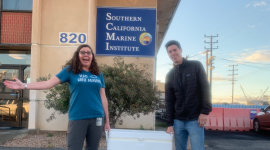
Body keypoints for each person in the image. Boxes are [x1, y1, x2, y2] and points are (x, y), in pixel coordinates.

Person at [4, 44, 110, 150]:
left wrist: (107, 121)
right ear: (78, 55)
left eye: (89, 52)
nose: (86, 54)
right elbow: (48, 84)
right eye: (82, 52)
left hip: (97, 117)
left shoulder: (98, 74)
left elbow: (103, 96)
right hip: (78, 117)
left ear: (92, 56)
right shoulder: (71, 71)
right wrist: (24, 85)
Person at [165, 40, 212, 150]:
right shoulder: (169, 75)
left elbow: (206, 89)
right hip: (178, 121)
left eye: (175, 50)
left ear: (180, 50)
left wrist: (205, 112)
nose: (173, 53)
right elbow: (169, 100)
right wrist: (169, 123)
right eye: (170, 52)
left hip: (195, 120)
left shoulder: (196, 66)